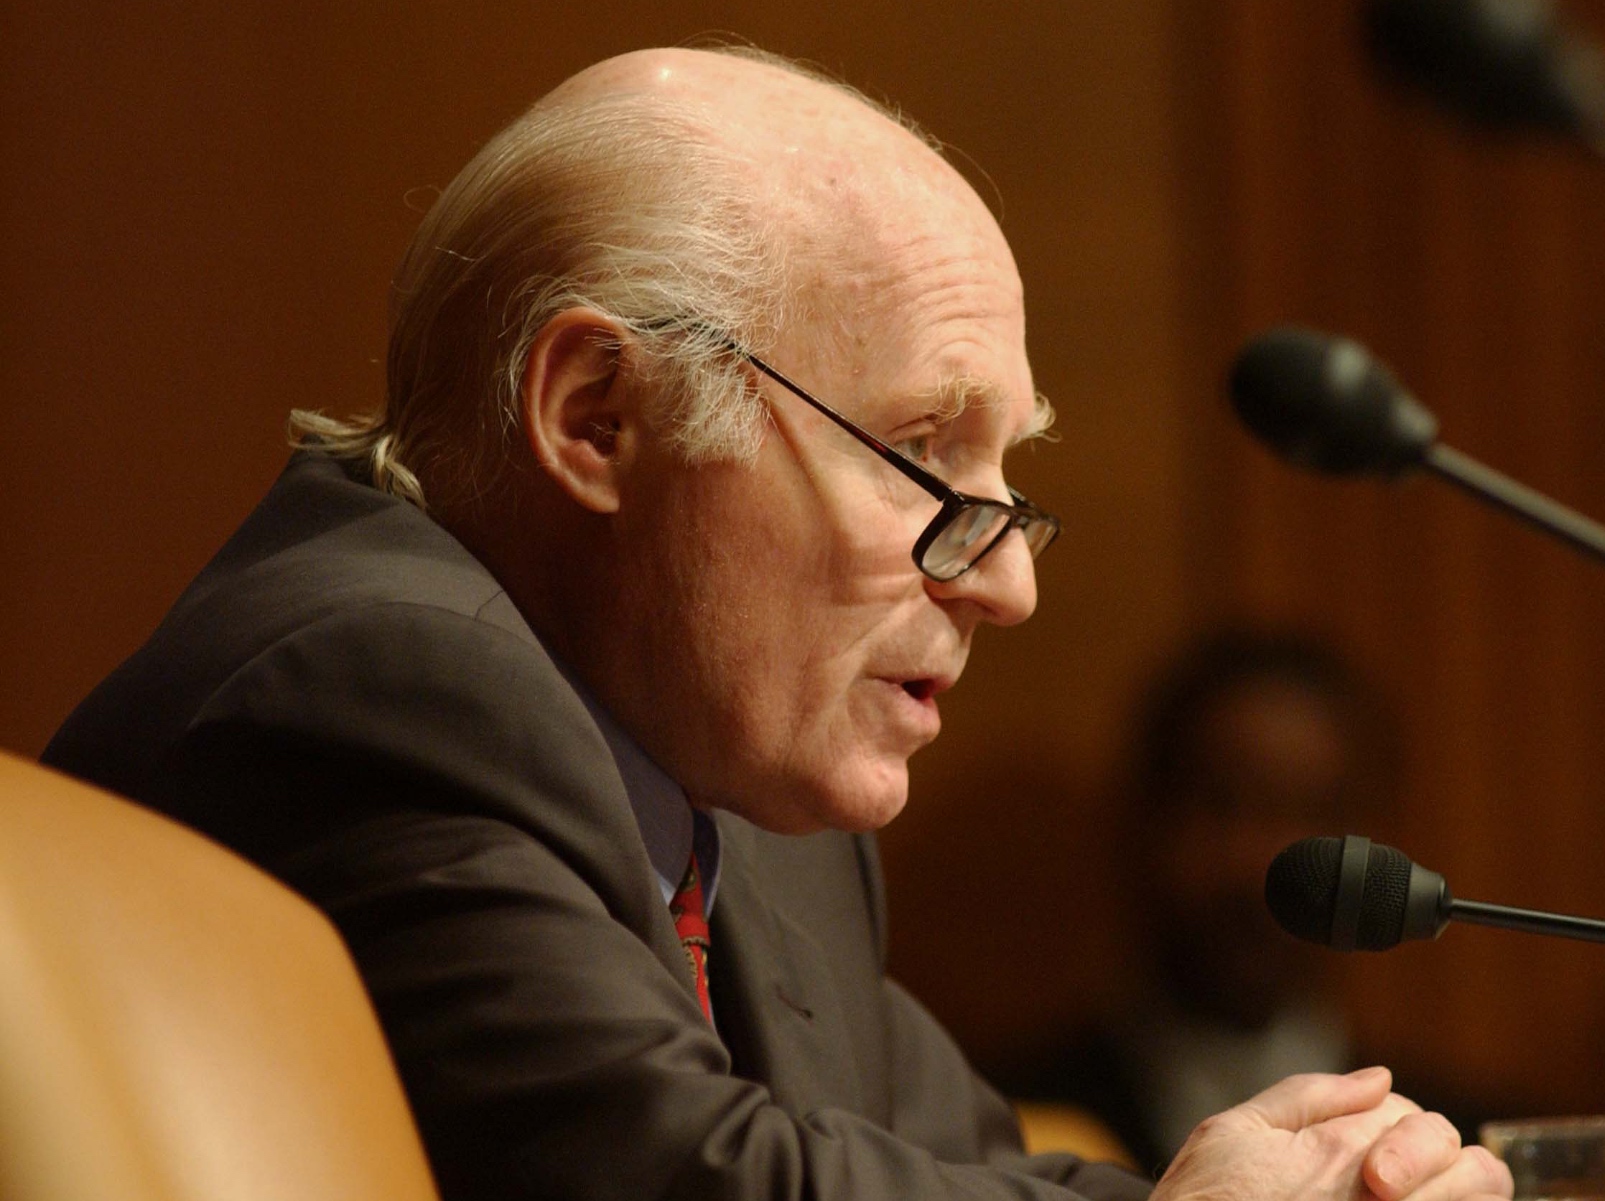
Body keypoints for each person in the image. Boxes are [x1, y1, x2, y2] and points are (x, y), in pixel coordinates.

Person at [41, 45, 1509, 1201]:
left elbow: (961, 1170)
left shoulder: (737, 778)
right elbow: (671, 1183)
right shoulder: (371, 693)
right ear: (597, 418)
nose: (1007, 581)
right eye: (929, 455)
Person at [1002, 630, 1508, 1172]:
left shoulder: (1467, 1151)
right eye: (1221, 804)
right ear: (1142, 822)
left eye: (1312, 815)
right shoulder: (1006, 1132)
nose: (1258, 861)